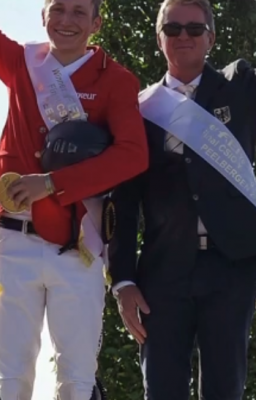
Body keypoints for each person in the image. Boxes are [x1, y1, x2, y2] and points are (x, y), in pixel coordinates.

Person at [0, 0, 148, 398]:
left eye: (78, 12)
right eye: (57, 9)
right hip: (15, 240)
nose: (66, 21)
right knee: (11, 377)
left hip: (78, 246)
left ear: (97, 23)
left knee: (76, 379)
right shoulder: (22, 62)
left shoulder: (117, 80)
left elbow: (133, 155)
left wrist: (53, 182)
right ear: (43, 17)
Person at [107, 0, 256, 398]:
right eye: (173, 29)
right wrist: (121, 279)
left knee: (225, 391)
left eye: (194, 28)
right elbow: (123, 202)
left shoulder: (241, 90)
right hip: (162, 272)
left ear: (211, 36)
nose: (184, 37)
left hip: (231, 267)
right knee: (161, 391)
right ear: (159, 38)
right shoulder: (139, 110)